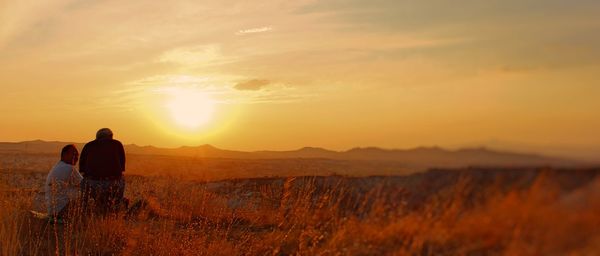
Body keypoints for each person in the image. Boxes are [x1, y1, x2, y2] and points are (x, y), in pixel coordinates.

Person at [79, 128, 127, 213]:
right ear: (111, 136)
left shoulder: (88, 145)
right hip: (113, 183)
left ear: (97, 137)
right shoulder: (117, 144)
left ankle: (84, 210)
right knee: (122, 179)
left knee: (83, 181)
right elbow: (122, 167)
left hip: (92, 184)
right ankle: (115, 209)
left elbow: (82, 169)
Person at [45, 144, 83, 218]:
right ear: (65, 155)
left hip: (53, 210)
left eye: (77, 155)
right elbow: (85, 185)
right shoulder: (69, 168)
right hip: (62, 210)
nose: (76, 157)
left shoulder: (58, 166)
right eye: (74, 154)